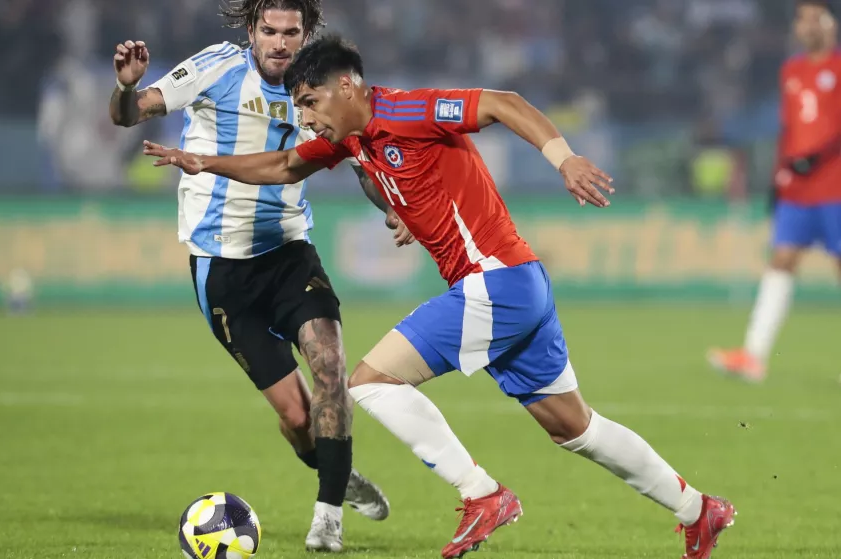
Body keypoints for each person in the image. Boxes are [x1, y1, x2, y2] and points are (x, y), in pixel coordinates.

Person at [142, 35, 738, 559]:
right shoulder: (355, 141)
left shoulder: (409, 109)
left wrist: (564, 158)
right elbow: (283, 164)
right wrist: (202, 161)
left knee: (369, 382)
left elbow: (505, 104)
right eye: (298, 105)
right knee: (573, 426)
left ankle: (482, 494)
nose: (307, 116)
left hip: (496, 281)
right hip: (514, 286)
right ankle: (698, 511)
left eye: (311, 102)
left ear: (347, 86)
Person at [108, 4, 404, 551]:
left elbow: (362, 161)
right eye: (269, 31)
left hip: (289, 252)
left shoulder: (318, 87)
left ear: (306, 35)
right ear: (251, 32)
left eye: (292, 33)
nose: (280, 43)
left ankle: (328, 515)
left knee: (331, 367)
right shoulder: (217, 68)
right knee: (297, 418)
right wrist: (127, 88)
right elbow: (130, 114)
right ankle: (336, 471)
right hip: (221, 271)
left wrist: (392, 207)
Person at [709, 0, 841, 382]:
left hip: (834, 188)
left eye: (815, 18)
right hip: (797, 190)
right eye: (802, 19)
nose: (807, 25)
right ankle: (753, 356)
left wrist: (814, 156)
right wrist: (778, 177)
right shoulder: (792, 71)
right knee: (781, 261)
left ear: (831, 24)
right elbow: (790, 129)